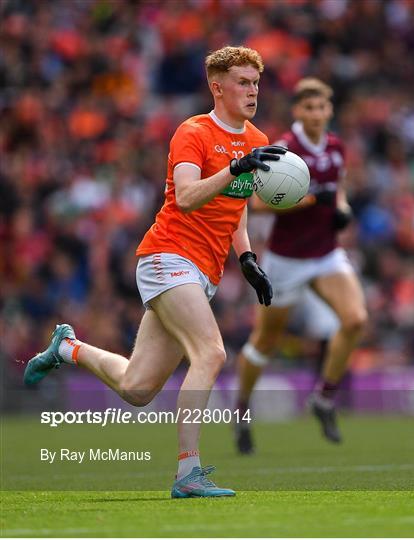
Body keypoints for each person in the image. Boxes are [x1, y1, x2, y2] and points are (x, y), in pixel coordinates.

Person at [24, 46, 286, 497]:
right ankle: (188, 473)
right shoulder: (193, 132)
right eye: (243, 82)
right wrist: (232, 168)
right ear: (216, 86)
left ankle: (68, 348)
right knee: (212, 353)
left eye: (256, 83)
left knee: (137, 388)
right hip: (167, 256)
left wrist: (247, 259)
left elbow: (236, 208)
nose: (252, 91)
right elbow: (185, 196)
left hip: (202, 272)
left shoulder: (256, 140)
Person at [235, 78, 368, 454]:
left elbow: (337, 189)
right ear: (297, 111)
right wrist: (312, 200)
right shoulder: (282, 150)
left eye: (321, 107)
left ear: (329, 111)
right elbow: (258, 204)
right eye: (308, 107)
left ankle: (324, 398)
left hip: (325, 254)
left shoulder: (337, 146)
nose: (315, 114)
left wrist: (341, 208)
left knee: (355, 319)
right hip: (286, 259)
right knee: (265, 342)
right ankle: (241, 411)